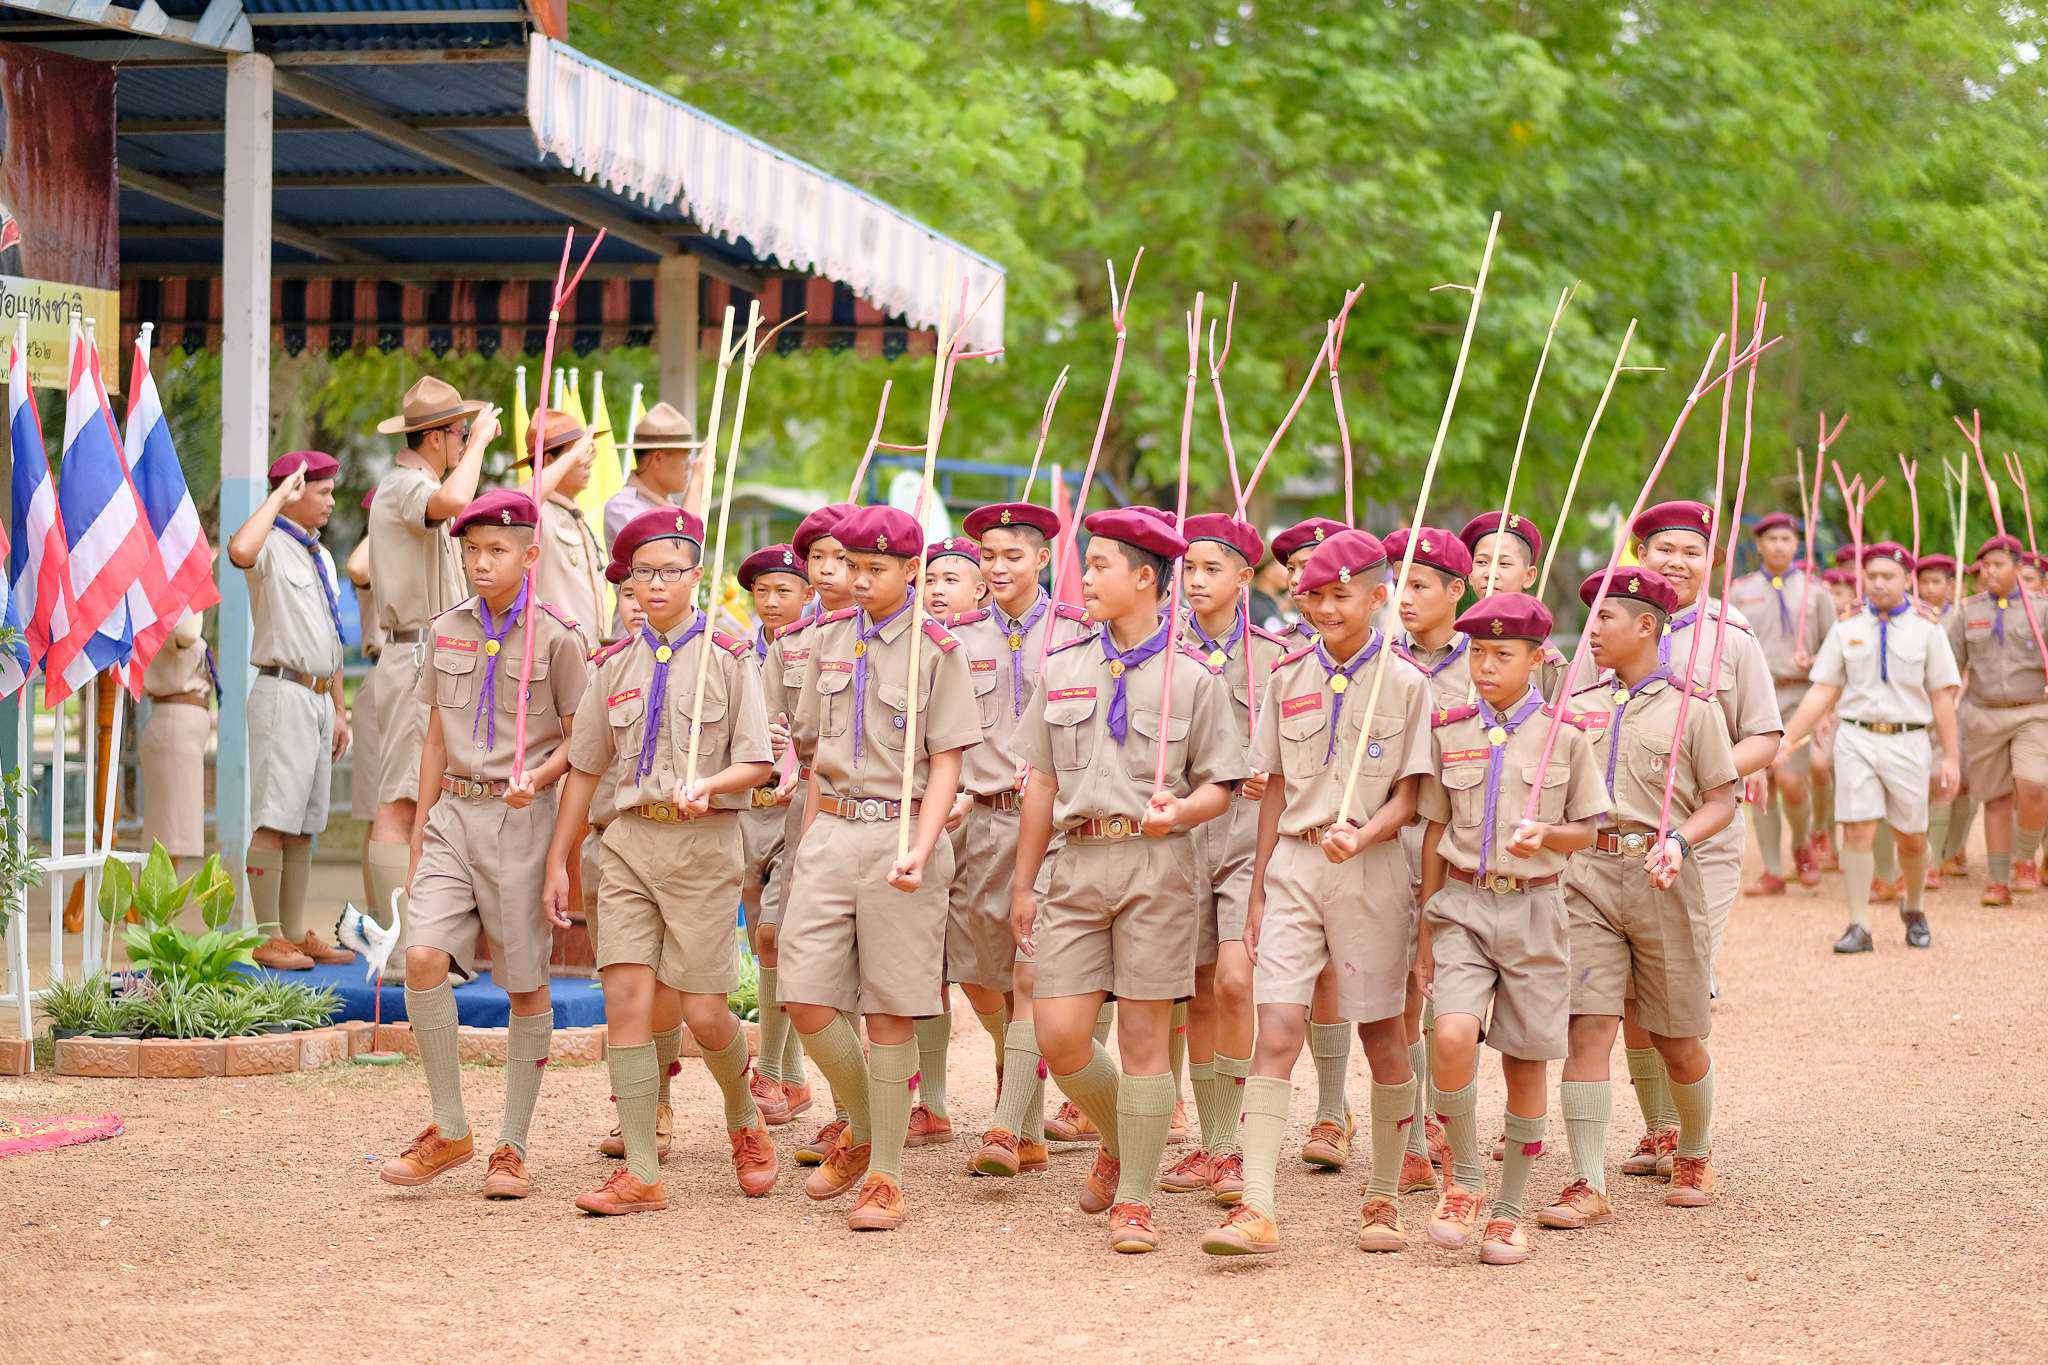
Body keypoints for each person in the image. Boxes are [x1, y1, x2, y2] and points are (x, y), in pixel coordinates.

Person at [1009, 507, 1247, 1254]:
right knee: (1060, 1033)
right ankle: (1123, 1135)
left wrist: (1180, 811)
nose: (1084, 577)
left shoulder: (1194, 677)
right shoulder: (1062, 666)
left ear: (1146, 578)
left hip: (1158, 865)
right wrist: (1023, 884)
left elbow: (1222, 786)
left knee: (1146, 1035)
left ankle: (1136, 1197)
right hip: (1076, 863)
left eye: (1100, 565)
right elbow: (1041, 783)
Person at [1200, 529, 1431, 1257]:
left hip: (1372, 868)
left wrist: (1363, 834)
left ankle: (1385, 1195)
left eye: (1342, 595)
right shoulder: (1287, 676)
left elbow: (1412, 796)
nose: (1327, 609)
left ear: (1377, 596)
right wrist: (1259, 888)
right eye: (1315, 597)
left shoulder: (1406, 682)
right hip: (1295, 869)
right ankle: (1257, 1205)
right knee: (1275, 1029)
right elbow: (1271, 788)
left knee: (1382, 1034)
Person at [543, 505, 778, 1214]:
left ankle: (742, 1112)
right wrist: (558, 862)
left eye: (669, 572)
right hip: (627, 845)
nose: (654, 585)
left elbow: (759, 761)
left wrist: (711, 783)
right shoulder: (612, 665)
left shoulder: (730, 658)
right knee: (625, 999)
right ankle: (642, 1169)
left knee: (705, 1011)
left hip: (703, 847)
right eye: (641, 574)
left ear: (695, 575)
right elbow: (585, 768)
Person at [378, 490, 590, 1200]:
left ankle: (512, 1145)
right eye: (472, 550)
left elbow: (581, 742)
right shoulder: (447, 629)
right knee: (422, 957)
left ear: (531, 555)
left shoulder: (558, 636)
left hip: (520, 820)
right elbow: (435, 739)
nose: (481, 562)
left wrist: (541, 779)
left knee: (525, 985)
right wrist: (419, 831)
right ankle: (450, 1126)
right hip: (452, 816)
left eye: (497, 550)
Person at [779, 504, 981, 1233]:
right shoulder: (828, 637)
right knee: (803, 994)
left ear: (911, 571)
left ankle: (885, 1175)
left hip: (903, 830)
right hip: (832, 830)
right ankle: (867, 1125)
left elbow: (948, 761)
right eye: (851, 567)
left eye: (875, 569)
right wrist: (808, 846)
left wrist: (922, 848)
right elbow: (811, 755)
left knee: (890, 1009)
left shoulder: (939, 649)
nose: (858, 581)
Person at [1539, 567, 1738, 1232]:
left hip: (1662, 878)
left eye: (1606, 617)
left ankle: (1696, 1150)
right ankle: (1588, 1180)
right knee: (1587, 1026)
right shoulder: (1577, 703)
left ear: (1647, 625)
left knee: (1677, 1037)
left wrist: (1679, 841)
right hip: (1586, 878)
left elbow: (1723, 799)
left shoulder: (1695, 709)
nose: (1592, 630)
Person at [1413, 591, 1606, 1266]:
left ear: (1537, 658)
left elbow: (1589, 828)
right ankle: (1464, 1177)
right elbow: (1435, 831)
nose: (1487, 666)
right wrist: (1424, 935)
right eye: (1479, 653)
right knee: (1451, 1034)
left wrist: (1548, 833)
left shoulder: (1566, 735)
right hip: (1463, 906)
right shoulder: (1450, 731)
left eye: (1503, 654)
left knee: (1526, 1064)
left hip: (1535, 910)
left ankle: (1508, 1209)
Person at [958, 500, 1094, 1179]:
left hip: (1055, 824)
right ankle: (1027, 1100)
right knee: (981, 979)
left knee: (1029, 971)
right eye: (988, 556)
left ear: (1043, 559)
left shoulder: (1079, 633)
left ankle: (1007, 1126)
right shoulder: (954, 639)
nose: (998, 567)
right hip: (978, 823)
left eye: (1013, 555)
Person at [1163, 511, 1286, 1204]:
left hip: (1245, 840)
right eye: (1190, 568)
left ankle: (1234, 1143)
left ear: (1245, 578)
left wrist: (1274, 773)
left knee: (1237, 981)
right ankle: (1213, 1144)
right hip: (1181, 838)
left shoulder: (1275, 657)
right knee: (1198, 987)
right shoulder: (1161, 651)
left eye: (1213, 569)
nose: (1197, 580)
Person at [1779, 543, 1961, 952]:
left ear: (1906, 579)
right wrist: (1787, 739)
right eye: (1872, 576)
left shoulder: (1927, 630)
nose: (1878, 584)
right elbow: (1823, 689)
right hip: (1857, 738)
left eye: (1888, 577)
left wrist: (1951, 757)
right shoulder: (1847, 627)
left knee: (1911, 836)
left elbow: (1942, 697)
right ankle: (1858, 924)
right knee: (1857, 828)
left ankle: (1914, 907)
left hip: (1908, 739)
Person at [365, 378, 497, 939]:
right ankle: (394, 946)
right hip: (414, 656)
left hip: (435, 656)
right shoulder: (405, 486)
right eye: (461, 435)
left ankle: (420, 941)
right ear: (438, 437)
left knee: (427, 798)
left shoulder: (417, 485)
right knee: (401, 801)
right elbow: (455, 502)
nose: (465, 444)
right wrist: (483, 443)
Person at [1380, 526, 1480, 1189]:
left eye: (1419, 585)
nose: (1404, 598)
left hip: (1462, 848)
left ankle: (1452, 1124)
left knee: (1452, 999)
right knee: (1399, 994)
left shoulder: (1488, 661)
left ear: (1455, 590)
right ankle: (1413, 1137)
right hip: (1394, 842)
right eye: (1398, 585)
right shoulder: (1380, 663)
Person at [226, 451, 353, 971]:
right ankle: (267, 935)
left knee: (304, 821)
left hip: (319, 697)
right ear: (295, 491)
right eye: (321, 491)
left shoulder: (319, 555)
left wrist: (340, 708)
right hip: (283, 691)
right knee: (275, 816)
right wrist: (278, 496)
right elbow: (238, 550)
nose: (330, 501)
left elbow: (332, 636)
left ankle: (295, 930)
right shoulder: (270, 544)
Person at [767, 502, 859, 1163]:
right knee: (811, 960)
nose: (828, 570)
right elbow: (776, 732)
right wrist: (778, 762)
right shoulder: (792, 645)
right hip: (807, 815)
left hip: (877, 814)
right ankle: (839, 1105)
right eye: (817, 558)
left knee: (866, 968)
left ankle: (863, 1111)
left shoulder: (910, 640)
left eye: (842, 558)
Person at [734, 541, 813, 1127]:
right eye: (762, 591)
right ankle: (794, 1077)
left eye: (784, 590)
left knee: (774, 934)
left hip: (800, 805)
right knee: (759, 924)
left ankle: (771, 1068)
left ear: (806, 594)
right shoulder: (737, 653)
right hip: (749, 806)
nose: (771, 601)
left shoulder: (818, 646)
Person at [1725, 512, 1832, 892]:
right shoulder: (1740, 591)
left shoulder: (1815, 592)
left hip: (1798, 696)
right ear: (1759, 545)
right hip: (1753, 695)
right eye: (1771, 539)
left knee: (1791, 780)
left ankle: (1801, 843)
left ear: (1797, 544)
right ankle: (1772, 869)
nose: (1779, 546)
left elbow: (1834, 652)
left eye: (1786, 539)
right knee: (1758, 781)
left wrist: (1814, 662)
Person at [1943, 535, 2048, 904]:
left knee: (2033, 785)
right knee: (1996, 799)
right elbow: (1950, 667)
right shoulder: (1968, 612)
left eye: (1998, 565)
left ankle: (2025, 859)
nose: (1989, 572)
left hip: (2032, 712)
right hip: (1983, 714)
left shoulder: (2041, 610)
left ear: (2019, 567)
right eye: (1984, 566)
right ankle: (1999, 881)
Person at [517, 410, 609, 644]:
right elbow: (517, 504)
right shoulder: (536, 514)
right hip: (552, 653)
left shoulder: (576, 516)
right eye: (578, 452)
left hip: (588, 654)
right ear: (549, 461)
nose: (587, 460)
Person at [138, 605, 214, 885]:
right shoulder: (176, 606)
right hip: (173, 727)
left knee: (173, 832)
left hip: (182, 729)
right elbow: (188, 632)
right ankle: (157, 904)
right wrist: (191, 597)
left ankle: (160, 902)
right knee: (168, 834)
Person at [603, 402, 701, 550]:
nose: (690, 465)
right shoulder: (622, 508)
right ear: (658, 458)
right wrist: (697, 483)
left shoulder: (671, 506)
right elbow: (680, 552)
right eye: (684, 457)